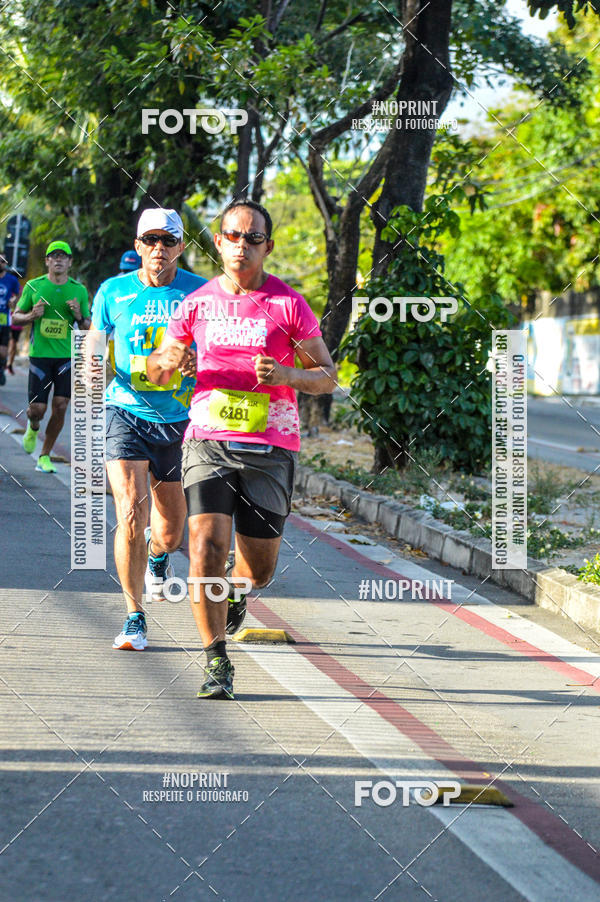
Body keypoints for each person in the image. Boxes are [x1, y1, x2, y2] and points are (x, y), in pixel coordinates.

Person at [147, 199, 336, 699]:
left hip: (270, 447)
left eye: (253, 238)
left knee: (260, 571)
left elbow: (328, 376)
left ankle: (237, 590)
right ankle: (216, 661)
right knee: (205, 549)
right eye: (233, 235)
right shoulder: (198, 303)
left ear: (267, 247)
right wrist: (171, 361)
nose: (241, 245)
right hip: (208, 442)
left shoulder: (288, 304)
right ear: (218, 242)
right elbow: (157, 369)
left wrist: (289, 374)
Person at [89, 208, 206, 651]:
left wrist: (198, 362)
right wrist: (92, 368)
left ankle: (158, 559)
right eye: (150, 240)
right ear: (138, 246)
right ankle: (134, 616)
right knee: (130, 513)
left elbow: (220, 348)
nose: (159, 249)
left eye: (168, 241)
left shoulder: (199, 291)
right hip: (126, 412)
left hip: (180, 420)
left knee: (171, 533)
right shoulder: (113, 291)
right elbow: (95, 344)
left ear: (180, 247)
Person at [12, 241, 90, 472]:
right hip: (40, 357)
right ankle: (33, 426)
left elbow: (88, 326)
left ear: (69, 262)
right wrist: (31, 315)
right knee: (38, 409)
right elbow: (15, 317)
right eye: (53, 256)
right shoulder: (34, 287)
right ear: (47, 261)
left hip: (66, 357)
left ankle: (44, 455)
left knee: (61, 405)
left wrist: (78, 314)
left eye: (63, 256)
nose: (58, 260)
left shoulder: (79, 290)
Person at [0, 254, 21, 384]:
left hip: (5, 320)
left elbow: (19, 295)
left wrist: (14, 300)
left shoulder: (12, 280)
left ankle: (1, 368)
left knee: (2, 352)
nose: (0, 263)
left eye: (2, 261)